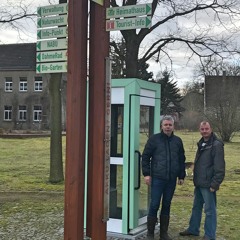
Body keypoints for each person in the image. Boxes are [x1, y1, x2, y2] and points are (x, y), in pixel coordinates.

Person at [142, 115, 186, 240]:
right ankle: (150, 233)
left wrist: (181, 175)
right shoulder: (154, 140)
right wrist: (146, 174)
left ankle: (163, 233)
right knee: (154, 204)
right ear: (161, 126)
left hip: (171, 179)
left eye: (170, 125)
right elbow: (145, 157)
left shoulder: (178, 141)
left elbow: (181, 159)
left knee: (167, 204)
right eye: (165, 125)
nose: (167, 127)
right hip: (157, 178)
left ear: (173, 126)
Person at [179, 121, 225, 240]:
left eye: (206, 129)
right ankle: (193, 229)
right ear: (200, 130)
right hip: (199, 182)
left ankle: (210, 235)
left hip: (208, 183)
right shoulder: (202, 143)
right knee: (196, 207)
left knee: (209, 210)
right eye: (202, 129)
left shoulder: (216, 144)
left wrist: (215, 184)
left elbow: (219, 167)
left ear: (211, 129)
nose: (204, 131)